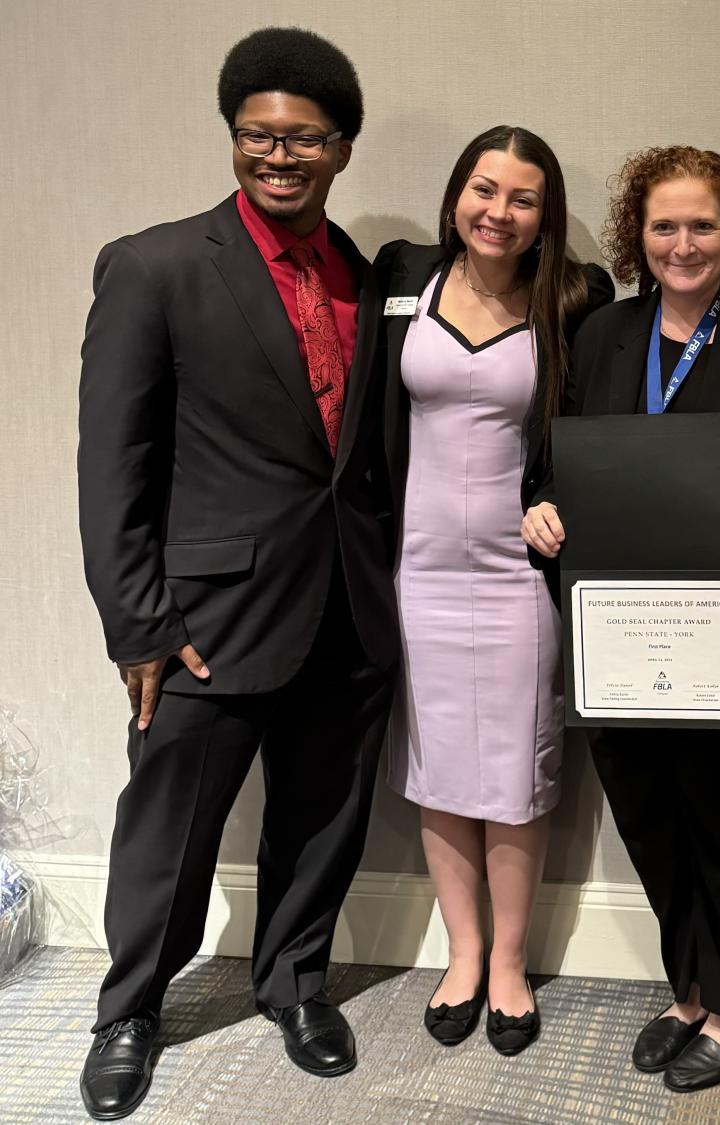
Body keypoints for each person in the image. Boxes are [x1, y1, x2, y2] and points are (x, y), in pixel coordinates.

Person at [75, 28, 398, 1120]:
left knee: (322, 816)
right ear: (233, 139)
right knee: (169, 830)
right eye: (260, 134)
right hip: (205, 615)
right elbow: (111, 461)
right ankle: (130, 1012)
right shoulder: (155, 264)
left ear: (340, 150)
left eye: (305, 138)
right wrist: (138, 626)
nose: (281, 155)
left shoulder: (366, 274)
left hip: (349, 606)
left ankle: (294, 983)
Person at [521, 145, 720, 1093]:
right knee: (654, 821)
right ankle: (688, 987)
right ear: (637, 233)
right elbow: (559, 464)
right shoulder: (604, 337)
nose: (683, 242)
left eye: (703, 224)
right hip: (621, 635)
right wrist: (539, 505)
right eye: (664, 225)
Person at [375, 125, 613, 1055]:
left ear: (544, 216)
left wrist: (555, 498)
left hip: (519, 575)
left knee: (516, 769)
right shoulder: (404, 276)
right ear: (455, 194)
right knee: (438, 766)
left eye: (523, 198)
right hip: (416, 568)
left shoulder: (576, 299)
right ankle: (463, 952)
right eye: (484, 189)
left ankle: (510, 961)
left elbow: (593, 424)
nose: (499, 212)